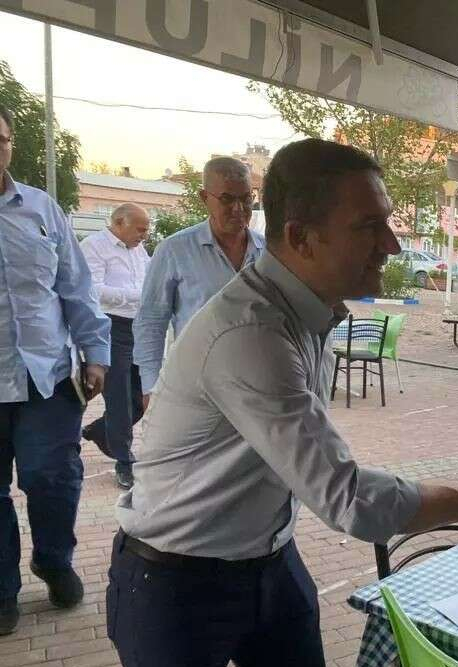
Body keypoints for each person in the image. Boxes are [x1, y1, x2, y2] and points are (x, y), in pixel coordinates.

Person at [107, 138, 458, 667]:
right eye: (369, 226)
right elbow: (347, 499)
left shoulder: (307, 313)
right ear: (300, 237)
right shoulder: (251, 332)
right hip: (173, 579)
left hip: (268, 560)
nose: (392, 245)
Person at [0, 104, 110, 634]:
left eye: (0, 139)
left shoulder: (42, 209)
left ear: (10, 143)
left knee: (52, 476)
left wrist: (96, 353)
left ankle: (53, 559)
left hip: (46, 376)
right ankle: (2, 591)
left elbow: (76, 286)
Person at [133, 156, 263, 405]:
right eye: (227, 199)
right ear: (205, 198)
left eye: (246, 198)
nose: (239, 208)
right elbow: (151, 320)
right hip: (196, 390)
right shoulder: (175, 250)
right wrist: (150, 386)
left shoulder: (268, 252)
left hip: (258, 389)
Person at [80, 203, 149, 490]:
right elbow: (92, 290)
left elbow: (149, 282)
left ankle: (97, 430)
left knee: (140, 396)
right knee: (118, 396)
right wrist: (136, 297)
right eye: (140, 229)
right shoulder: (94, 247)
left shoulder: (139, 251)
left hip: (139, 328)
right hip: (110, 327)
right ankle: (124, 461)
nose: (144, 235)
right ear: (120, 223)